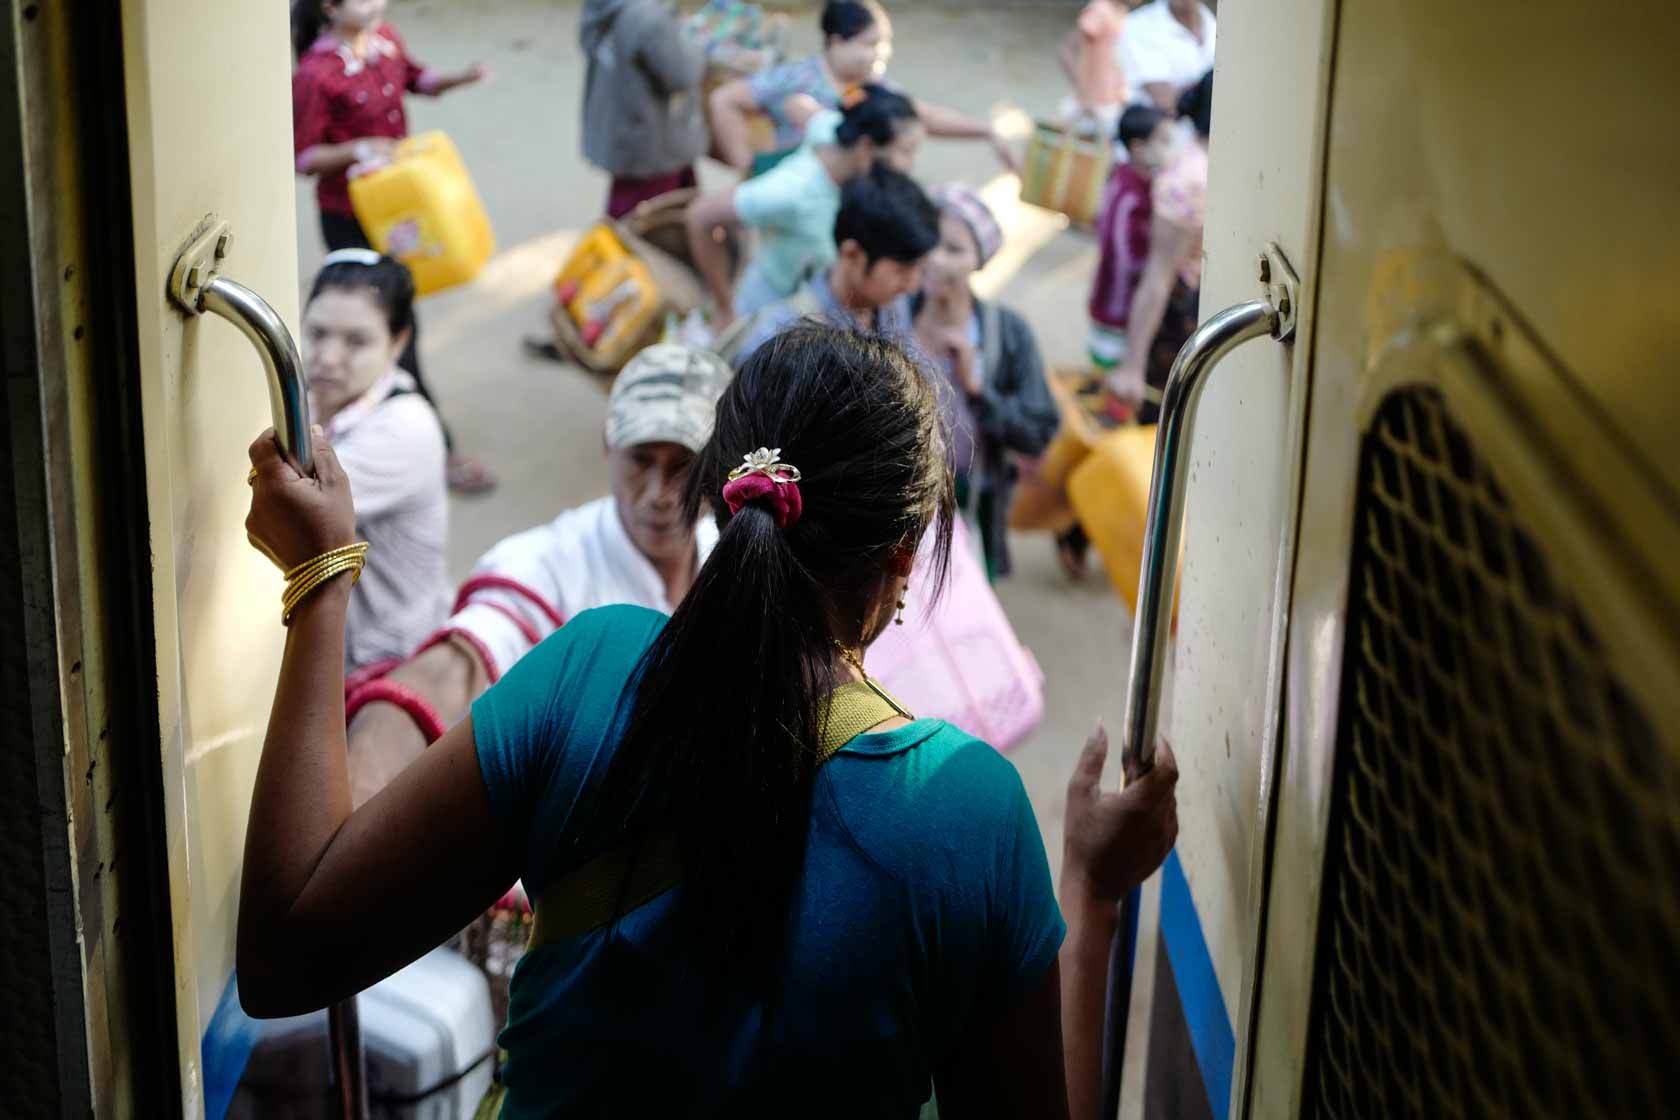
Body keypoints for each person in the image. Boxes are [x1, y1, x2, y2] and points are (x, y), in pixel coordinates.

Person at [237, 322, 1179, 1117]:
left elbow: (285, 959)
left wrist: (321, 581)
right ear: (909, 555)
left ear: (720, 498)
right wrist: (1092, 891)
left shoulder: (589, 671)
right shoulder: (964, 814)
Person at [342, 344, 732, 807]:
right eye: (641, 459)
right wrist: (363, 790)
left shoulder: (729, 553)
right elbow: (450, 671)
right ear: (609, 446)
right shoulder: (546, 567)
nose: (660, 494)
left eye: (685, 465)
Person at [290, 0, 497, 494]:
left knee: (392, 328)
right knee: (394, 332)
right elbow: (304, 155)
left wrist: (460, 79)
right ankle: (437, 451)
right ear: (330, 7)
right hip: (350, 218)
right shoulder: (316, 74)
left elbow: (416, 79)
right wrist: (357, 149)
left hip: (397, 212)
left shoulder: (387, 41)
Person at [298, 249, 448, 673]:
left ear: (398, 342)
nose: (328, 357)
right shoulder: (312, 401)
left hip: (385, 661)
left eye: (356, 341)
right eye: (317, 333)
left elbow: (291, 509)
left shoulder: (405, 429)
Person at [686, 84, 925, 329]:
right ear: (866, 148)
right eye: (906, 152)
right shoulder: (792, 193)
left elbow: (797, 104)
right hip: (769, 315)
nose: (909, 167)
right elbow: (700, 216)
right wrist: (724, 306)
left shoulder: (834, 130)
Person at [912, 185, 1059, 581]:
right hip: (898, 501)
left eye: (955, 250)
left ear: (980, 260)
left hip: (972, 500)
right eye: (930, 242)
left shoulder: (1007, 333)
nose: (937, 259)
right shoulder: (891, 316)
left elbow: (1039, 430)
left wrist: (978, 389)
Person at [709, 0, 1016, 178]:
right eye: (871, 44)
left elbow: (926, 116)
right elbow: (725, 100)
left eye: (885, 44)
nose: (882, 53)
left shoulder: (874, 87)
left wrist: (987, 131)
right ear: (836, 41)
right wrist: (747, 169)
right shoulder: (796, 80)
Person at [731, 162, 939, 364]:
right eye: (902, 270)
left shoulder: (890, 306)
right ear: (852, 254)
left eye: (919, 267)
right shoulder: (779, 340)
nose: (912, 285)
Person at [1108, 70, 1210, 424]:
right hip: (1182, 314)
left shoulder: (1190, 171)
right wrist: (1133, 366)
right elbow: (1160, 278)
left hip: (1192, 308)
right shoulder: (1189, 179)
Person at [580, 0, 709, 220]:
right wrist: (696, 44)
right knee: (655, 218)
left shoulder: (607, 7)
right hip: (652, 143)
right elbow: (680, 74)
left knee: (624, 208)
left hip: (621, 130)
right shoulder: (648, 16)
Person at [1086, 104, 1173, 374]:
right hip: (1118, 302)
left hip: (1115, 297)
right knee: (1114, 368)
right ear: (1138, 147)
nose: (1169, 149)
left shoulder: (1129, 178)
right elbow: (1123, 254)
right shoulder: (1130, 196)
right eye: (1163, 141)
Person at [1118, 0, 1215, 111]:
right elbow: (1165, 100)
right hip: (1158, 123)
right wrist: (1209, 86)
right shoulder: (1138, 25)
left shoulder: (1215, 22)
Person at [1058, 0, 1128, 138]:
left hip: (1113, 103)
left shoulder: (1120, 11)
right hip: (1093, 107)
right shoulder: (1099, 10)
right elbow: (1066, 51)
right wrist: (1085, 97)